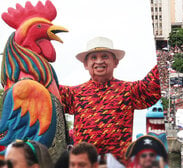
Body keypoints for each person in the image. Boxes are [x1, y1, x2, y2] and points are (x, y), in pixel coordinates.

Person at [59, 37, 161, 165]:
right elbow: (46, 88)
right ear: (86, 64)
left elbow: (152, 85)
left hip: (118, 163)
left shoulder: (129, 91)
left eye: (105, 56)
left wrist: (165, 57)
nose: (99, 61)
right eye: (94, 57)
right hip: (85, 163)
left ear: (115, 62)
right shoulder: (73, 94)